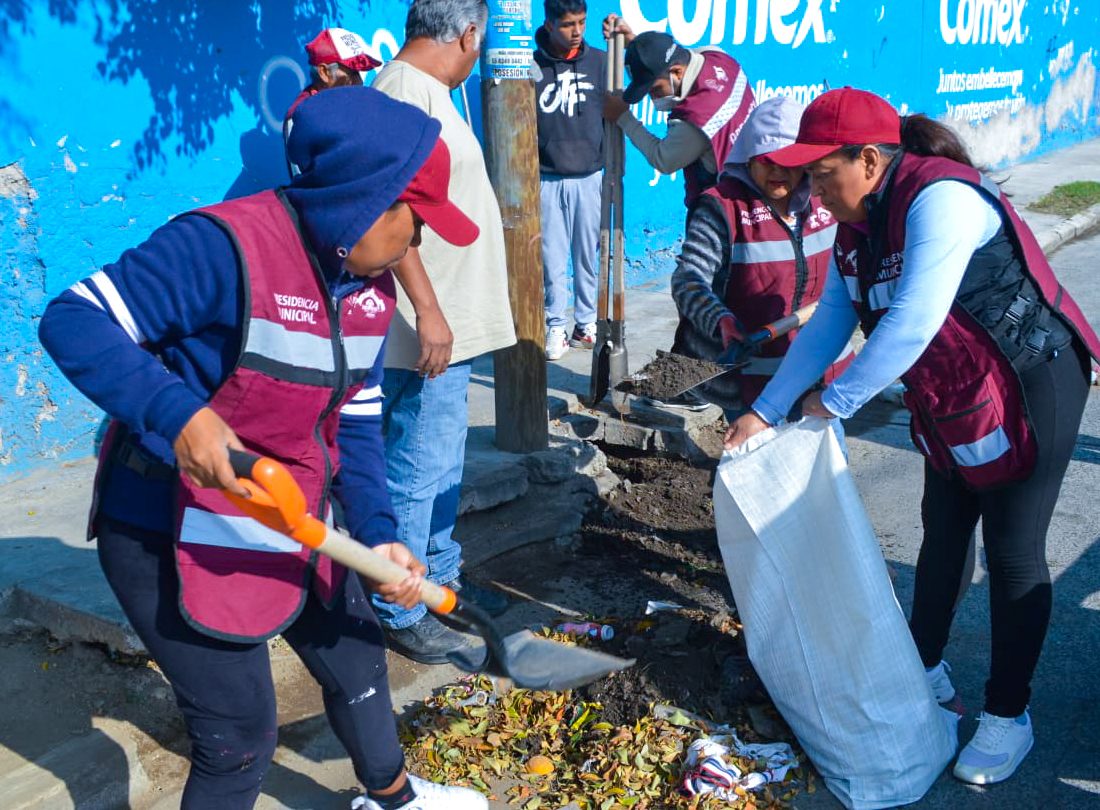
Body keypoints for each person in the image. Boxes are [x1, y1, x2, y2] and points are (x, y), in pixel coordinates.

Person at [38, 88, 488, 810]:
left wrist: (379, 536)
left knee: (358, 656)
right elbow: (73, 319)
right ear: (363, 202)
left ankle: (393, 799)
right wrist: (178, 415)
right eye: (415, 222)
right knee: (238, 733)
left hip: (290, 510)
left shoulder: (368, 290)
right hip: (171, 524)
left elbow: (358, 425)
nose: (418, 246)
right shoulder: (221, 248)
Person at [724, 87, 1100, 786]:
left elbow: (915, 320)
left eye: (820, 173)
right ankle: (920, 668)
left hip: (1030, 382)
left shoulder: (943, 200)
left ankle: (1007, 717)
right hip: (952, 394)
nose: (811, 190)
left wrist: (833, 404)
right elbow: (830, 326)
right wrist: (767, 411)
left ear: (868, 160)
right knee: (944, 528)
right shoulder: (855, 231)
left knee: (1014, 551)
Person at [371, 0, 518, 664]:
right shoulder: (404, 94)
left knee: (440, 461)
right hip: (430, 324)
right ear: (467, 35)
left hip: (451, 322)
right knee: (416, 463)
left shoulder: (428, 90)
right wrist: (429, 310)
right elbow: (389, 213)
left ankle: (441, 583)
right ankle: (398, 605)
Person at [670, 96, 852, 420]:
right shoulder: (722, 207)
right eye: (767, 161)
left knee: (817, 465)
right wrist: (720, 319)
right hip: (750, 379)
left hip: (819, 367)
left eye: (788, 161)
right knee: (752, 464)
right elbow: (689, 279)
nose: (778, 171)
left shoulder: (826, 200)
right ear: (748, 158)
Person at [600, 17, 755, 209]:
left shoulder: (697, 121)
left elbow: (663, 159)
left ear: (677, 73)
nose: (653, 98)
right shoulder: (716, 55)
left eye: (655, 89)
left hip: (724, 210)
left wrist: (623, 117)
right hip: (751, 189)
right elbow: (670, 57)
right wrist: (638, 46)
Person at [534, 0, 607, 360]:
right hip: (547, 178)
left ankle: (586, 323)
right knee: (552, 258)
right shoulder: (530, 66)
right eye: (567, 24)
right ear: (549, 24)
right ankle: (555, 327)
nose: (577, 30)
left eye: (581, 22)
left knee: (587, 256)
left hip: (590, 175)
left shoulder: (600, 62)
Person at [284, 28, 380, 123]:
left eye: (358, 72)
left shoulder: (350, 106)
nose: (359, 81)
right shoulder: (301, 119)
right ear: (324, 72)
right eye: (352, 73)